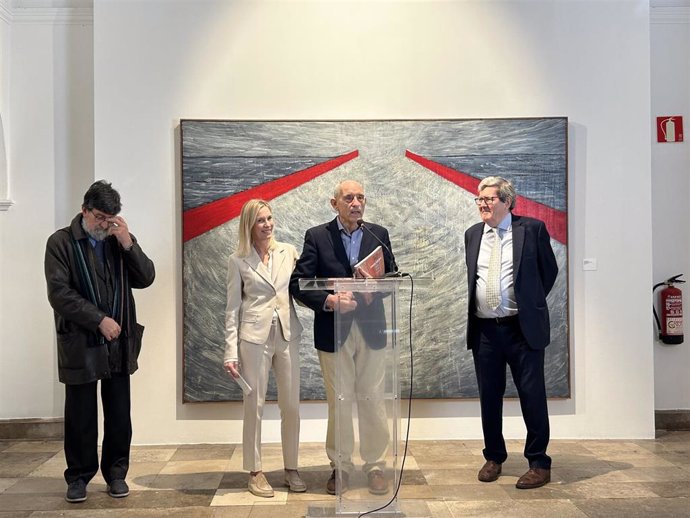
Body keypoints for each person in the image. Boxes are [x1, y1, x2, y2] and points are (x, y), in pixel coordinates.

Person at [44, 180, 155, 503]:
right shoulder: (61, 243)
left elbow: (146, 278)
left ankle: (116, 474)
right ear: (84, 210)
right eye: (100, 217)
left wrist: (128, 242)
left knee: (120, 412)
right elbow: (59, 294)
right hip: (81, 340)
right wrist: (98, 320)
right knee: (81, 414)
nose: (105, 224)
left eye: (112, 218)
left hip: (119, 341)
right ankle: (78, 477)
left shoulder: (117, 240)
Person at [289, 180, 396, 496]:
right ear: (334, 203)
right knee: (340, 402)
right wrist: (330, 301)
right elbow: (299, 283)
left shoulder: (379, 234)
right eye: (349, 198)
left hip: (372, 329)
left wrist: (375, 289)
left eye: (361, 197)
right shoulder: (317, 236)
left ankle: (375, 466)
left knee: (373, 399)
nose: (356, 203)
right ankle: (341, 467)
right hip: (334, 331)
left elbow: (392, 276)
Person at [464, 175, 558, 490]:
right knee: (489, 397)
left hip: (522, 329)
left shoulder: (531, 230)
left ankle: (538, 463)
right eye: (479, 199)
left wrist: (528, 304)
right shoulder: (472, 234)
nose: (483, 204)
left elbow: (549, 272)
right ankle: (494, 457)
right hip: (485, 331)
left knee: (532, 397)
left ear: (507, 201)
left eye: (489, 199)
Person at [223, 199, 306, 498]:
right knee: (254, 406)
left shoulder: (289, 252)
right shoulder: (238, 260)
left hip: (287, 334)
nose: (268, 224)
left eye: (270, 218)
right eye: (261, 220)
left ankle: (292, 468)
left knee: (291, 406)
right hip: (253, 339)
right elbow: (232, 310)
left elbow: (302, 286)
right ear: (249, 224)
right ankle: (255, 471)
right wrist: (229, 352)